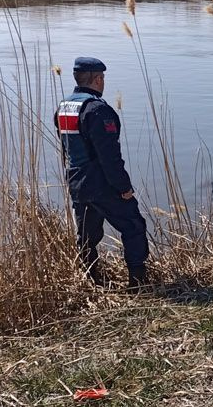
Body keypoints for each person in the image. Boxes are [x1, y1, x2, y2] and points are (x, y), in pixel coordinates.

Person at [55, 57, 149, 289]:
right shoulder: (98, 110)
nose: (103, 82)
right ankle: (138, 284)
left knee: (87, 236)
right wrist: (124, 188)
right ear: (98, 79)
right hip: (102, 183)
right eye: (102, 78)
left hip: (77, 182)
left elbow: (66, 148)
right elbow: (109, 157)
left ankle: (92, 281)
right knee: (133, 226)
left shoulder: (64, 107)